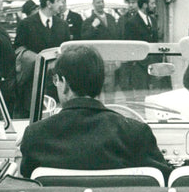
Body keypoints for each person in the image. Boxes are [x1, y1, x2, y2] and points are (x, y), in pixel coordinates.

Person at [19, 44, 171, 179]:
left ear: (63, 83)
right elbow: (163, 180)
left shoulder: (35, 135)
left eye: (56, 80)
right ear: (100, 82)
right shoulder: (135, 133)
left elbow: (28, 183)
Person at [13, 0, 70, 116]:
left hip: (56, 87)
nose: (61, 4)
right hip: (33, 88)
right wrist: (36, 59)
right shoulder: (26, 24)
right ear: (49, 4)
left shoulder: (63, 25)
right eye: (58, 0)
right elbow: (18, 49)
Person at [81, 0, 119, 96]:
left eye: (102, 1)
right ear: (93, 4)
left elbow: (117, 39)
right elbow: (84, 39)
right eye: (98, 2)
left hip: (111, 62)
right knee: (97, 93)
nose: (101, 4)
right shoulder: (88, 22)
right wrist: (93, 27)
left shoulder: (111, 19)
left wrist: (118, 58)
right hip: (96, 62)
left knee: (111, 94)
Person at [122, 0, 160, 92]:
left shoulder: (153, 20)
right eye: (152, 3)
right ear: (144, 5)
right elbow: (129, 46)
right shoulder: (131, 23)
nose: (154, 6)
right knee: (141, 95)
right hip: (139, 66)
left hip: (153, 65)